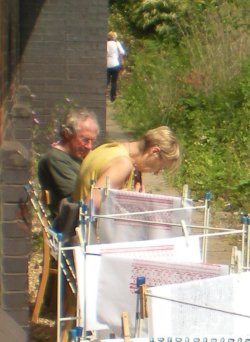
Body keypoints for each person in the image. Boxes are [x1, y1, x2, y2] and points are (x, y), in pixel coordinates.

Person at [73, 126, 181, 211]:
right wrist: (127, 202)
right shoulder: (123, 164)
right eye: (160, 167)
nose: (156, 172)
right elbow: (88, 207)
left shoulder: (111, 148)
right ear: (154, 151)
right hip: (85, 235)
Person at [38, 107, 100, 219]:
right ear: (67, 134)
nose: (89, 147)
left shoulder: (78, 156)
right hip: (70, 225)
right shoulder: (55, 159)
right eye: (85, 140)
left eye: (92, 141)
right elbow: (79, 196)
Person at [107, 31, 126, 102]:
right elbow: (122, 52)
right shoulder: (117, 43)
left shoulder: (106, 44)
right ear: (114, 37)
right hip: (115, 65)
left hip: (107, 65)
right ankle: (113, 98)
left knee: (106, 81)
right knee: (114, 82)